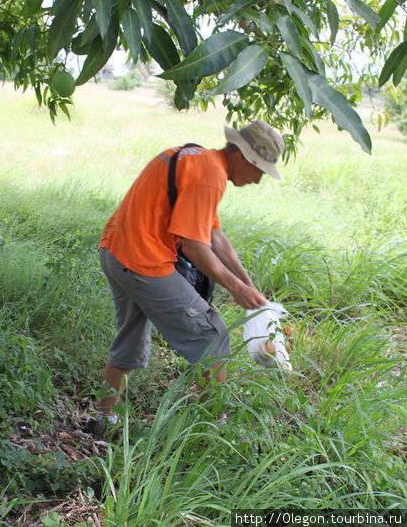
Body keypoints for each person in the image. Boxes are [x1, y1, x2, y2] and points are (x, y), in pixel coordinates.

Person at [87, 120, 285, 437]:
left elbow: (216, 238)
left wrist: (247, 284)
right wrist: (235, 289)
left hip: (115, 252)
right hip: (143, 262)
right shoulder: (210, 176)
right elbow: (193, 246)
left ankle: (103, 417)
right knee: (213, 336)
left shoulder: (201, 161)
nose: (258, 180)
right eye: (259, 171)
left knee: (131, 336)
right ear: (243, 157)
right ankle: (212, 429)